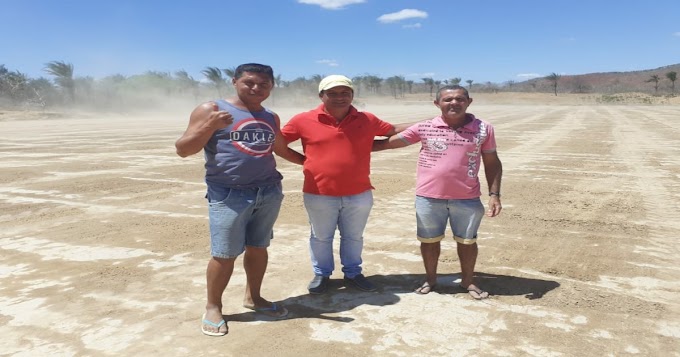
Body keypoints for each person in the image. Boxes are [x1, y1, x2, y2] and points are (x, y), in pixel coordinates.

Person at [175, 63, 304, 336]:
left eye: (264, 84)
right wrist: (209, 126)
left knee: (258, 247)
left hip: (268, 191)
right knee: (224, 254)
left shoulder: (270, 116)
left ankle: (253, 297)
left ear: (272, 86)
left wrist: (313, 163)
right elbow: (183, 150)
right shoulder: (210, 110)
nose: (256, 88)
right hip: (229, 194)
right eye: (249, 83)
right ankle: (213, 307)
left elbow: (280, 149)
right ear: (234, 81)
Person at [277, 75, 414, 294]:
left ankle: (353, 273)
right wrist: (304, 161)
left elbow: (393, 130)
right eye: (332, 93)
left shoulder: (367, 119)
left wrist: (433, 124)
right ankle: (322, 274)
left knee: (354, 236)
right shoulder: (303, 120)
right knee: (321, 237)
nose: (340, 98)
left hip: (359, 193)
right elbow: (279, 143)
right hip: (319, 193)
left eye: (345, 93)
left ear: (352, 95)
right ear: (321, 95)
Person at [373, 85, 503, 300]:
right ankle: (431, 279)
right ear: (437, 104)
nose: (454, 103)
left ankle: (468, 280)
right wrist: (345, 144)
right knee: (429, 241)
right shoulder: (425, 127)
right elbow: (388, 144)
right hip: (429, 198)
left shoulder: (483, 129)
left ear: (469, 102)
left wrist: (494, 194)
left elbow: (492, 162)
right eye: (448, 99)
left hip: (467, 197)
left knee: (467, 241)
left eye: (460, 99)